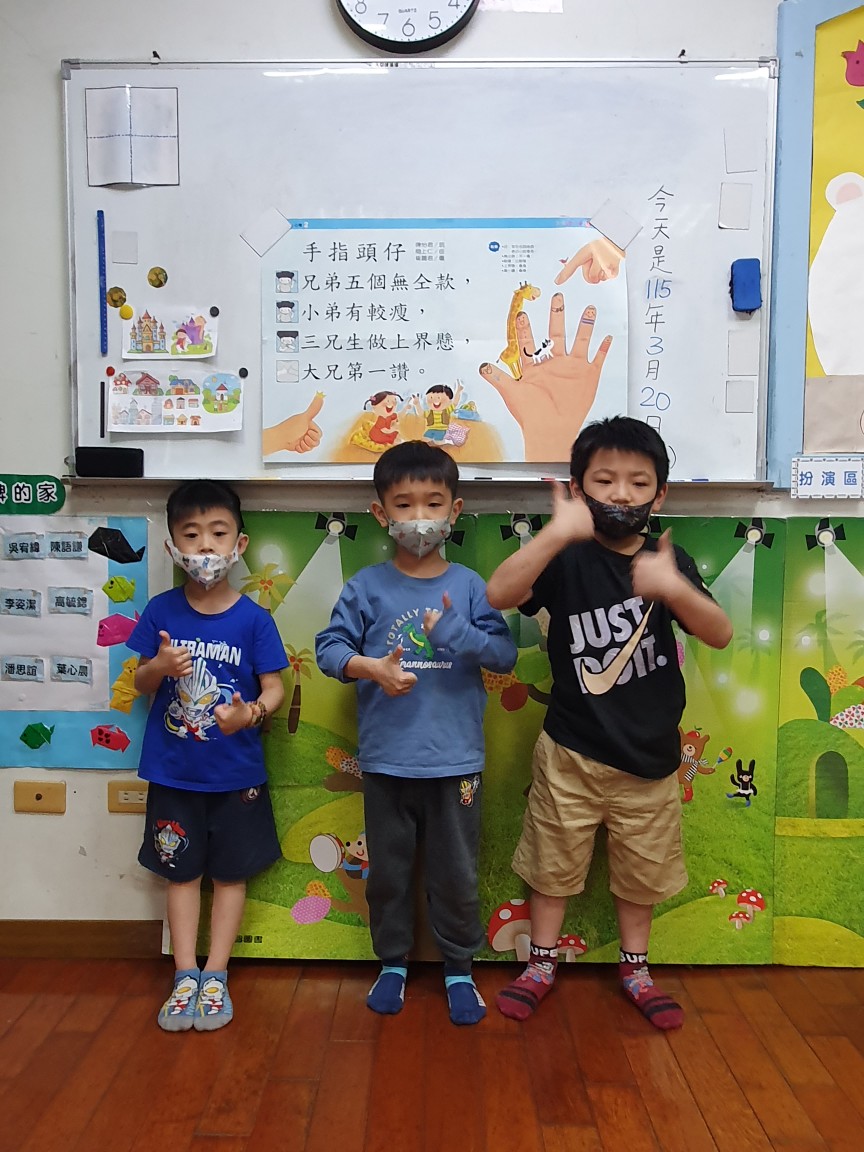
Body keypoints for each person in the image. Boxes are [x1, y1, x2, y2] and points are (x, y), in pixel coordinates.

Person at [487, 416, 732, 1029]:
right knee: (552, 864)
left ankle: (636, 969)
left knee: (641, 874)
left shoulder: (668, 561)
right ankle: (540, 963)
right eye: (604, 480)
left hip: (650, 759)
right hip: (570, 750)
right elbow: (499, 594)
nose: (622, 493)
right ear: (578, 487)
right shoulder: (566, 557)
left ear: (660, 494)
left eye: (638, 482)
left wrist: (672, 588)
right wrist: (555, 533)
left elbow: (720, 633)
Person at [315, 440, 517, 1025]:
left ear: (455, 510)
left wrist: (459, 634)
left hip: (456, 763)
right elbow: (329, 649)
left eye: (433, 503)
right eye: (404, 505)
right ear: (381, 513)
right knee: (389, 871)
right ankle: (392, 963)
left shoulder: (471, 586)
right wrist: (371, 668)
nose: (420, 517)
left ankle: (459, 969)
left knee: (456, 873)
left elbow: (503, 655)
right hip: (387, 761)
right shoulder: (366, 587)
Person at [128, 479, 287, 1032]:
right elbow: (139, 683)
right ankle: (185, 974)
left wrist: (253, 714)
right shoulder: (161, 610)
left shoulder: (254, 619)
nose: (205, 547)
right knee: (180, 876)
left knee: (230, 876)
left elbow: (275, 688)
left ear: (239, 544)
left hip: (237, 774)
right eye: (191, 535)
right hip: (174, 773)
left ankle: (216, 973)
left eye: (217, 534)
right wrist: (158, 668)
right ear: (172, 546)